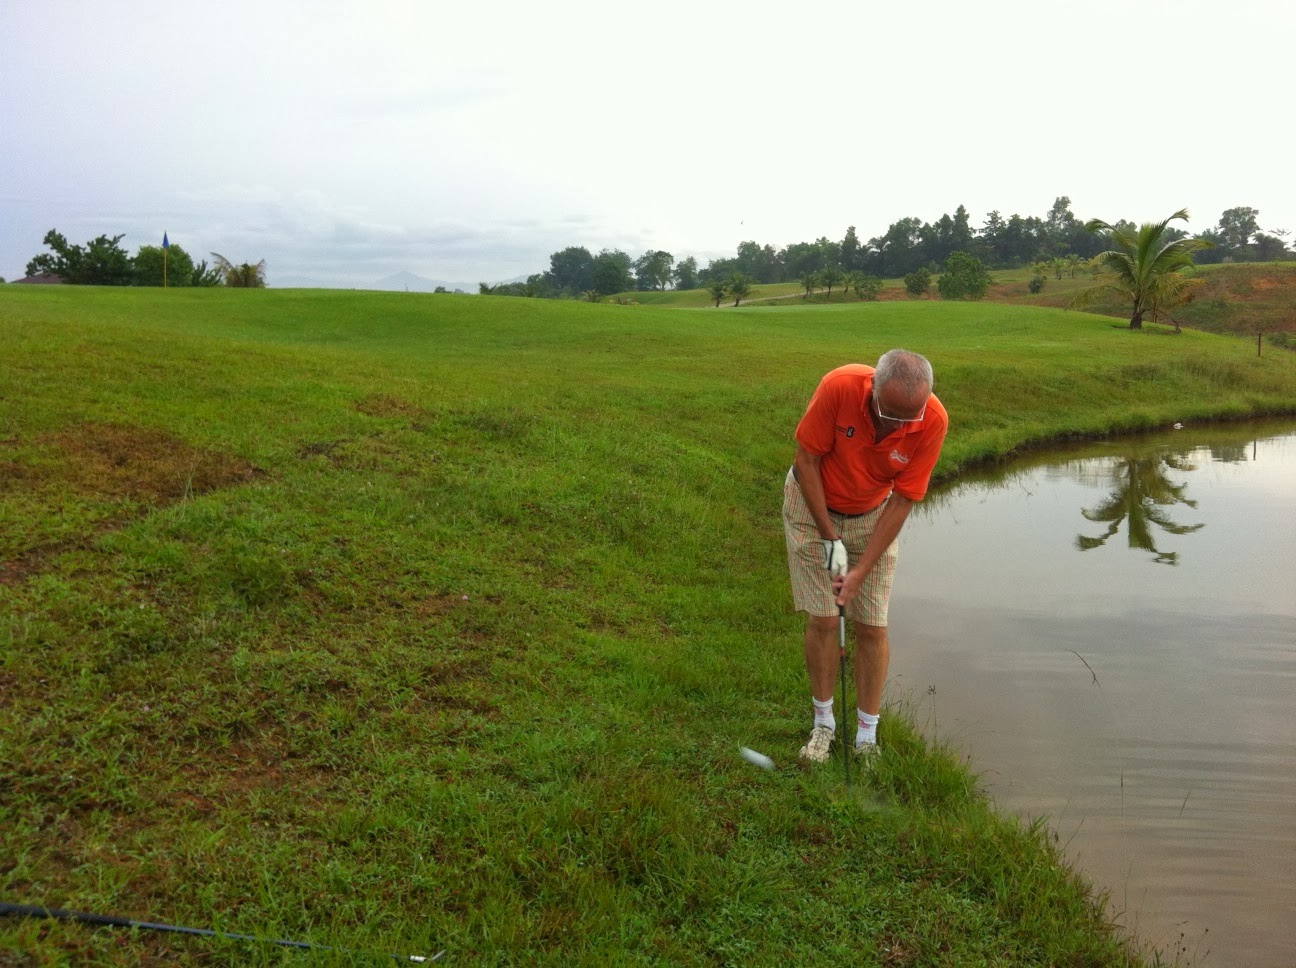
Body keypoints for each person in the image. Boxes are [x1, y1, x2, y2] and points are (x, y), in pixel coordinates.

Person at [782, 349, 947, 764]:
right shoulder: (839, 386)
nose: (896, 426)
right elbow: (806, 460)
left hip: (874, 513)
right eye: (889, 414)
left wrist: (861, 569)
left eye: (907, 419)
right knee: (824, 619)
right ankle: (823, 725)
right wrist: (829, 537)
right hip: (812, 505)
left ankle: (866, 737)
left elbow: (904, 499)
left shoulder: (933, 420)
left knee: (872, 626)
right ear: (873, 386)